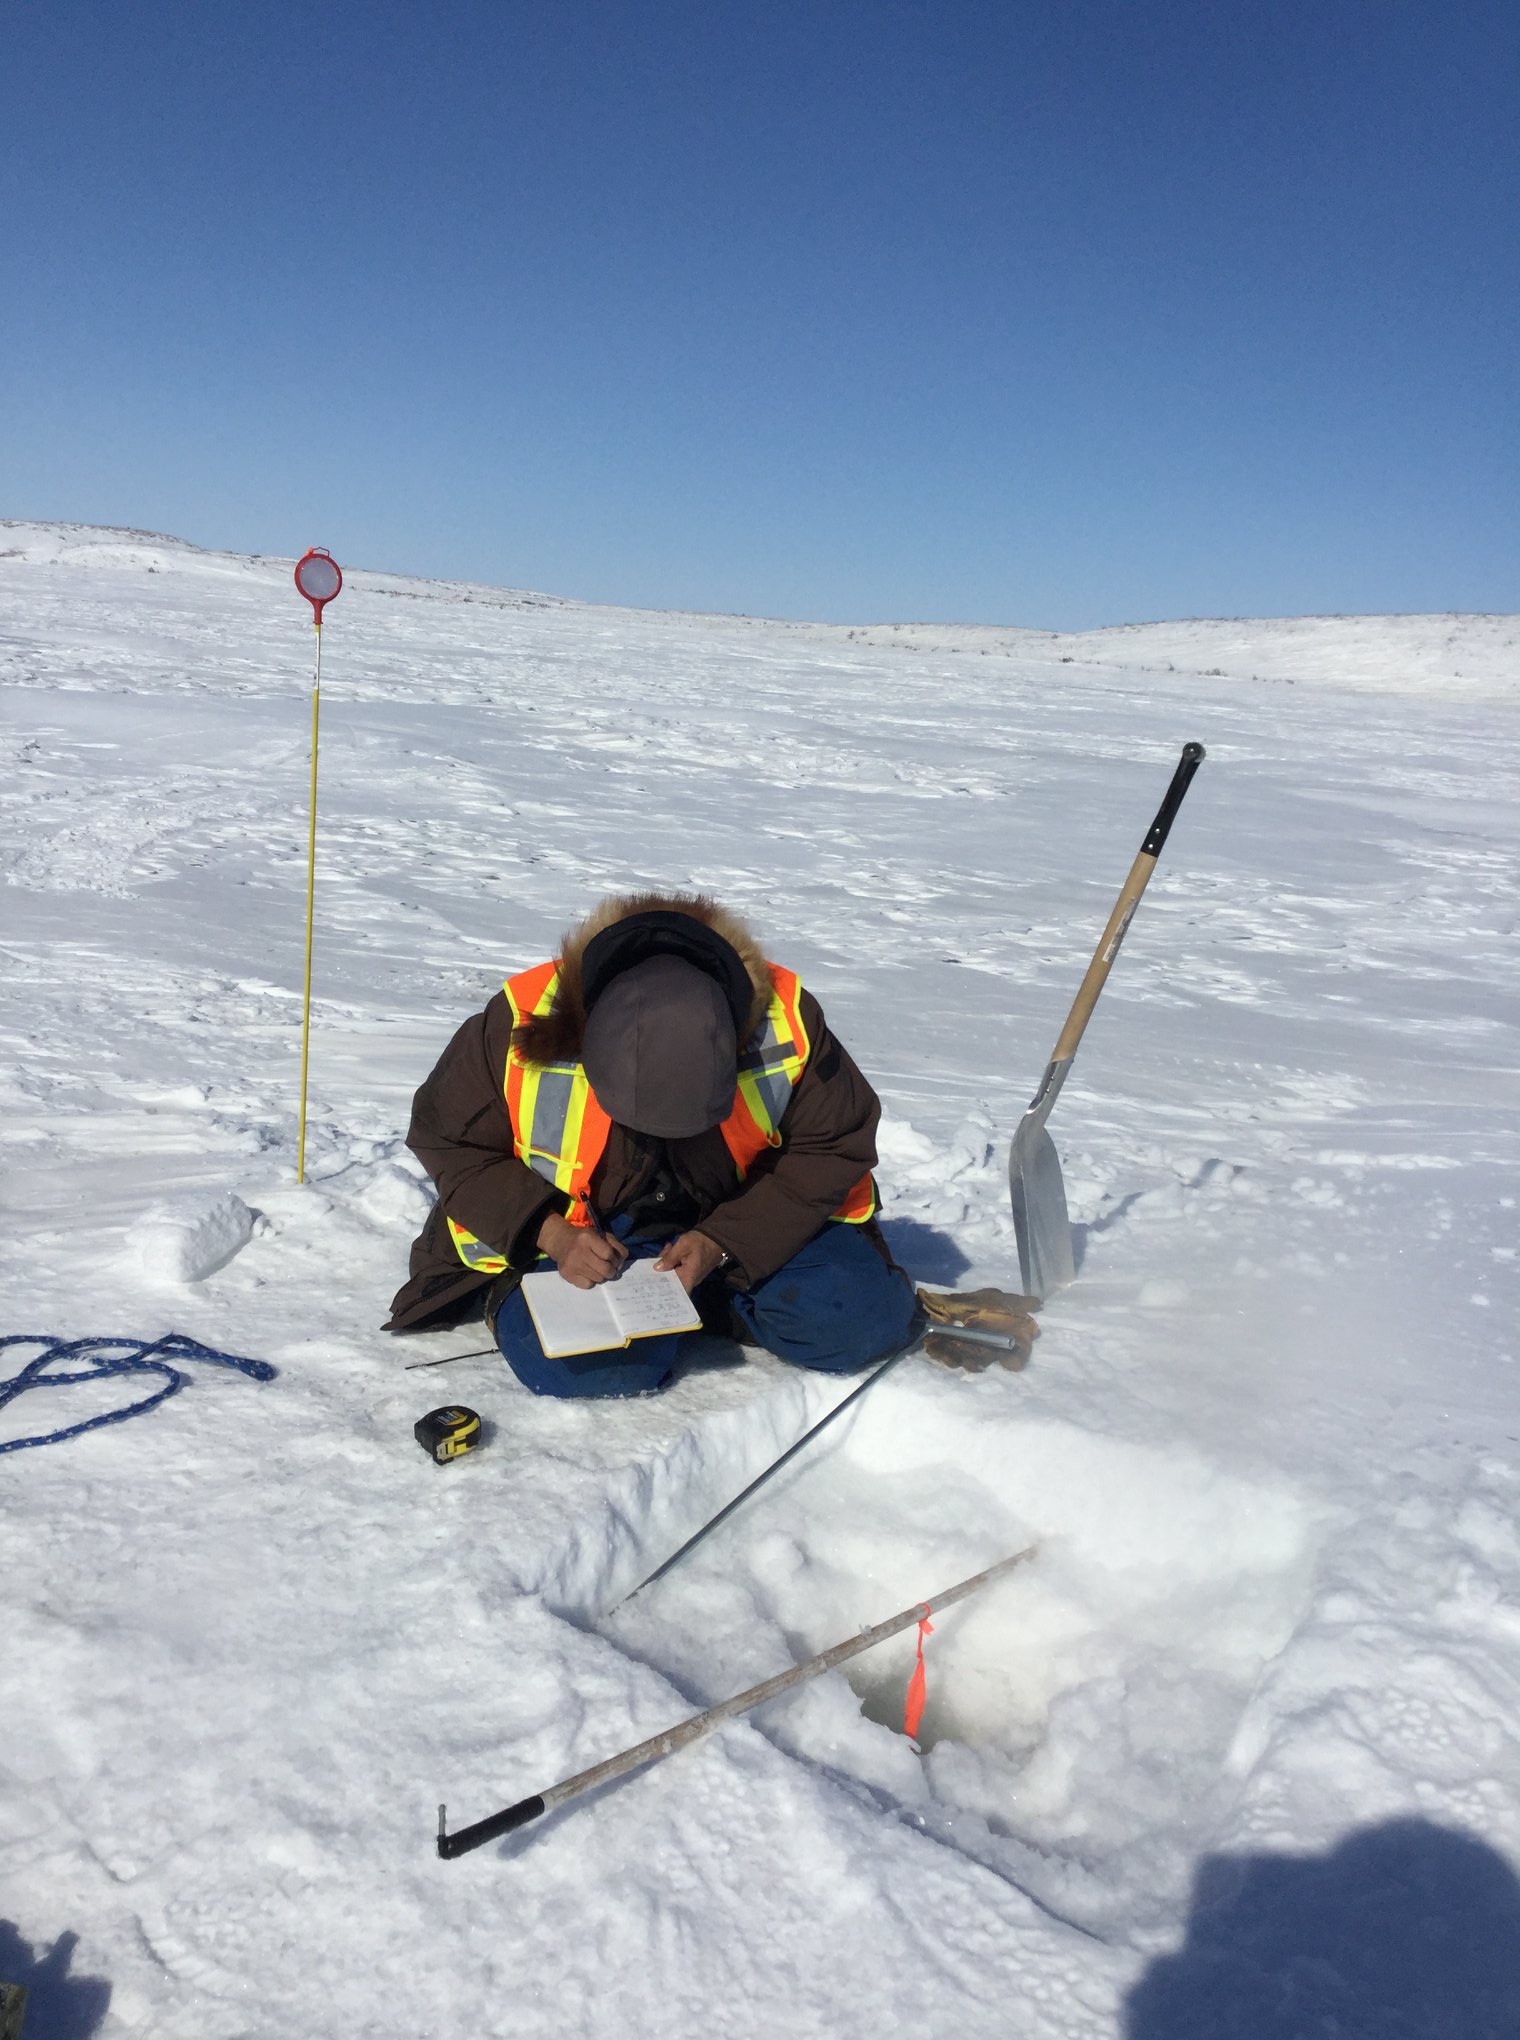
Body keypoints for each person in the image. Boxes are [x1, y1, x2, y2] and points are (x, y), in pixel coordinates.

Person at [385, 892, 920, 1396]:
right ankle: (541, 1300)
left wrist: (722, 1241)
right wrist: (552, 1236)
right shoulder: (518, 1018)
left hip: (745, 1220)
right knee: (586, 1366)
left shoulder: (791, 1021)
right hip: (586, 1233)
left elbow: (830, 1146)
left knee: (862, 1324)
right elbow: (450, 1140)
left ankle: (692, 1300)